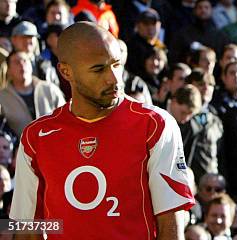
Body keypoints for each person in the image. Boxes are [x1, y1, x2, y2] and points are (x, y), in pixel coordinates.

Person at [10, 22, 195, 239]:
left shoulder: (155, 125)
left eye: (116, 65)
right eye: (98, 69)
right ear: (66, 71)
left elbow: (170, 225)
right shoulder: (36, 137)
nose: (114, 78)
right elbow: (26, 228)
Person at [0, 51, 65, 137]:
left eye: (25, 61)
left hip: (54, 146)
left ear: (31, 65)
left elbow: (66, 118)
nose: (22, 65)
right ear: (8, 70)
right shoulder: (2, 98)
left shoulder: (50, 89)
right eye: (17, 62)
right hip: (20, 149)